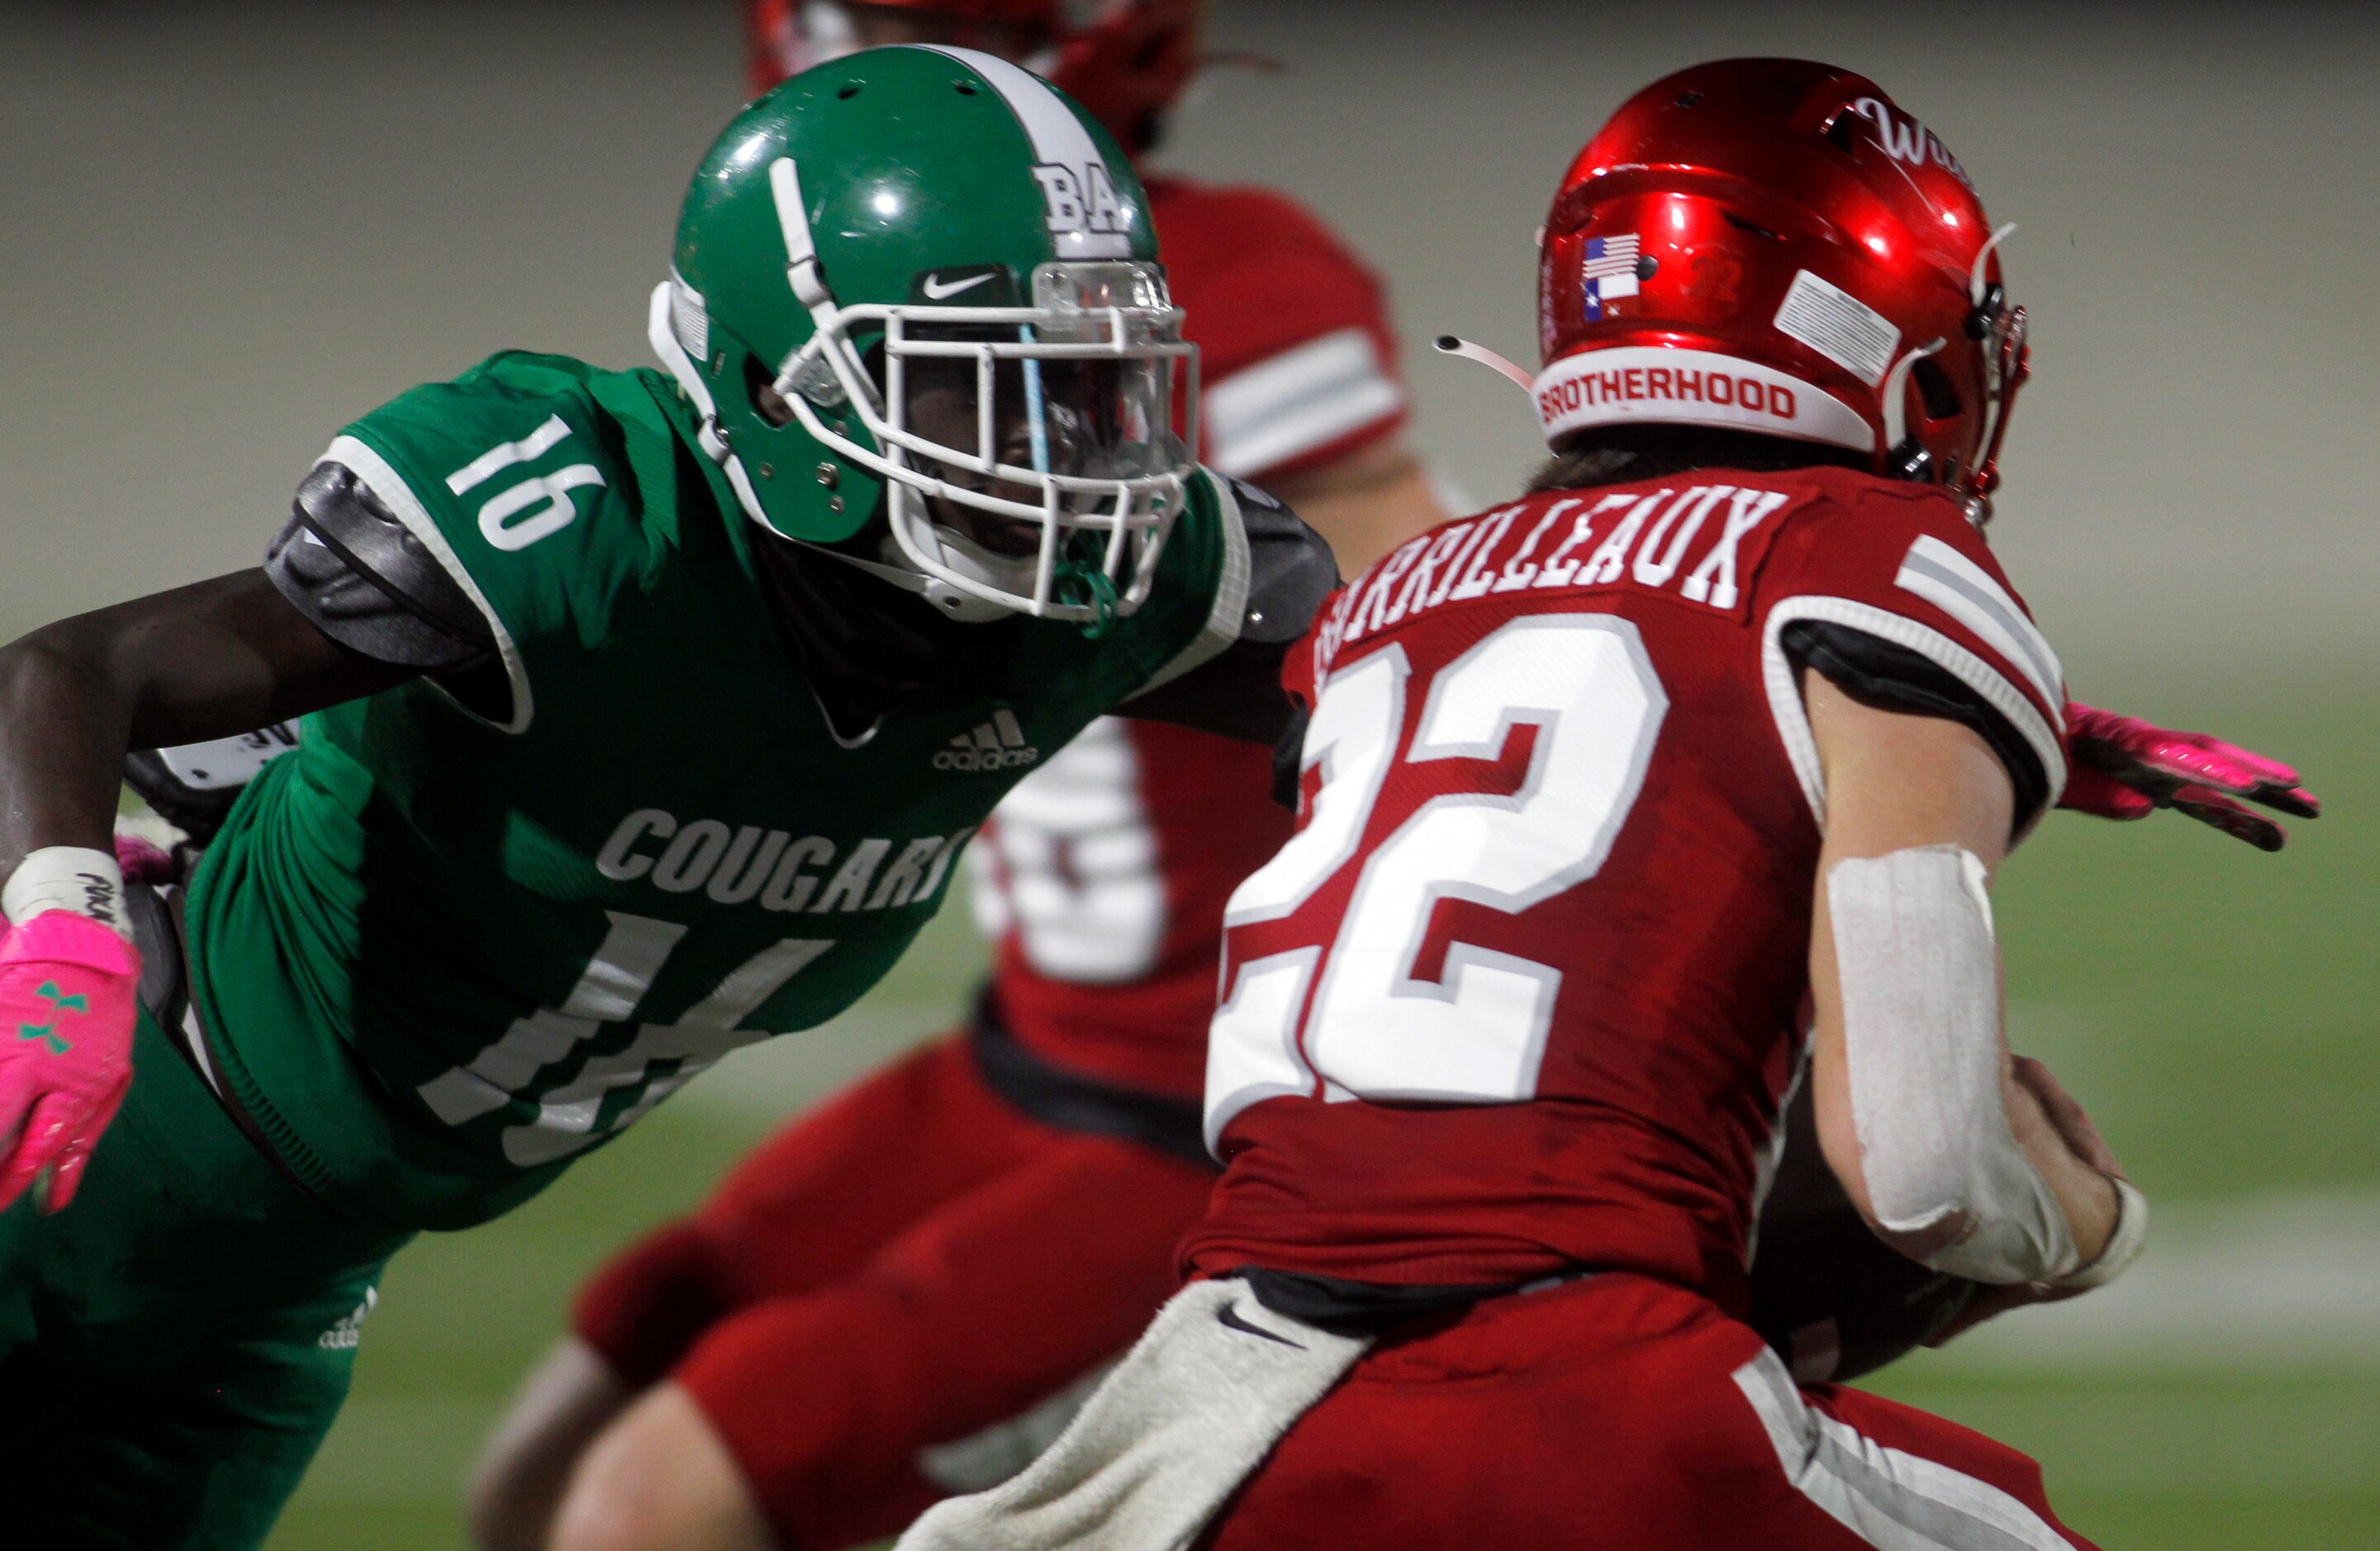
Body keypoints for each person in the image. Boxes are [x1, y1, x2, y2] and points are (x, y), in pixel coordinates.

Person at [471, 14, 2320, 1551]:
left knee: (590, 1466)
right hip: (1565, 1386)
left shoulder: (1396, 604)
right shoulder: (1862, 553)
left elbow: (1552, 659)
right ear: (1879, 335)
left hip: (1226, 1388)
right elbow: (1917, 1168)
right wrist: (2086, 1220)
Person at [0, 47, 1340, 1551]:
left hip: (271, 1297)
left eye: (1086, 385)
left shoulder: (1124, 594)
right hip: (78, 1151)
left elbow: (1445, 676)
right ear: (778, 384)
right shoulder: (589, 525)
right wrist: (58, 941)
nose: (1061, 456)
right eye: (981, 388)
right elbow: (63, 674)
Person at [467, 8, 1447, 1551]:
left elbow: (1412, 659)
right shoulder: (858, 248)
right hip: (1031, 1051)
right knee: (553, 1448)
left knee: (645, 1508)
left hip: (1192, 1111)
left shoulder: (1229, 275)